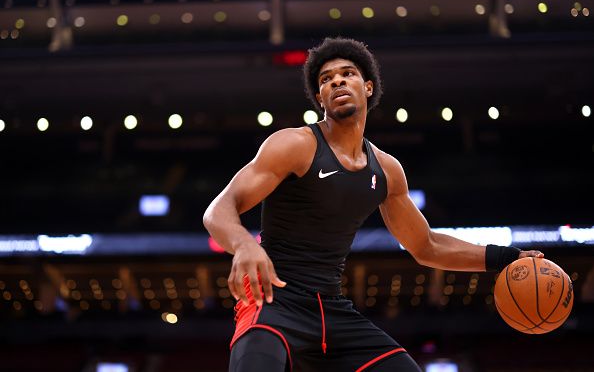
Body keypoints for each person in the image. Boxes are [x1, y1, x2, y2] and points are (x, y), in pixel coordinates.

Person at [203, 37, 543, 371]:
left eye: (347, 73)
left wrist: (506, 257)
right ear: (319, 97)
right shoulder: (293, 145)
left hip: (333, 310)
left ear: (367, 87)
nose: (336, 80)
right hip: (274, 304)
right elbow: (220, 208)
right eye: (325, 79)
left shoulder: (387, 170)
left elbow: (426, 245)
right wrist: (245, 244)